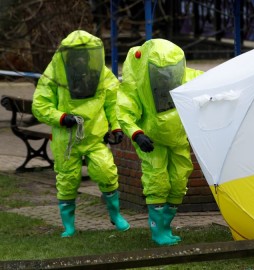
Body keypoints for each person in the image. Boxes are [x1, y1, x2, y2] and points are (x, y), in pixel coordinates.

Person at [32, 30, 130, 237]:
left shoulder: (101, 73)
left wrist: (117, 127)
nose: (82, 59)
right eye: (77, 55)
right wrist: (60, 117)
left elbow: (114, 103)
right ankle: (69, 226)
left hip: (95, 136)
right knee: (67, 180)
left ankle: (116, 215)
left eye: (86, 54)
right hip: (66, 139)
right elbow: (40, 105)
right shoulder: (54, 74)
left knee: (106, 172)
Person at [117, 39, 203, 246]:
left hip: (177, 138)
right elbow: (124, 112)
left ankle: (165, 225)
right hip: (152, 141)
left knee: (180, 179)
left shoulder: (184, 76)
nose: (166, 76)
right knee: (157, 180)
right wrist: (137, 134)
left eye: (170, 71)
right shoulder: (138, 83)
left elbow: (209, 84)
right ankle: (158, 231)